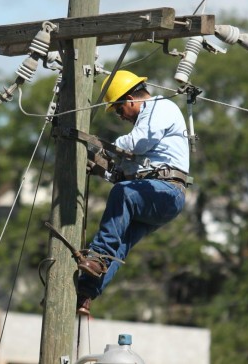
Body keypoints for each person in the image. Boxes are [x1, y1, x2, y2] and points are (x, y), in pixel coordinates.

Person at [76, 70, 190, 316]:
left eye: (118, 110)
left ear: (130, 99)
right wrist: (102, 168)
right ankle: (84, 293)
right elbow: (127, 171)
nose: (120, 116)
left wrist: (112, 147)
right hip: (154, 194)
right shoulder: (147, 122)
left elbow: (139, 142)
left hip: (167, 191)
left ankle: (96, 258)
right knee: (122, 242)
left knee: (123, 193)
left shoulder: (160, 107)